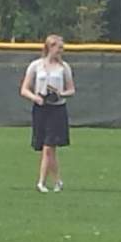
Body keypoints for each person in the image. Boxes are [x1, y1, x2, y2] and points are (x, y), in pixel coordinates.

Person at [19, 34, 76, 193]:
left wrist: (61, 94)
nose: (61, 51)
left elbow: (71, 90)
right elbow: (24, 89)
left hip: (57, 109)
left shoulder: (64, 67)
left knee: (49, 147)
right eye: (59, 47)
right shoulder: (36, 66)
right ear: (50, 47)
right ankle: (58, 181)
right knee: (47, 147)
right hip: (40, 109)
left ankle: (41, 182)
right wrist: (36, 98)